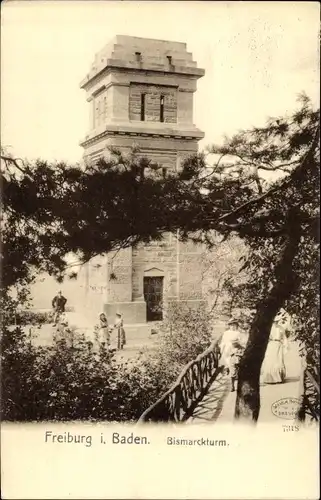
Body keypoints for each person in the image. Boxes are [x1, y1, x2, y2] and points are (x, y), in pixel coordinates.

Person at [220, 318, 247, 392]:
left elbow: (242, 343)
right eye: (231, 325)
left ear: (236, 326)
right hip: (227, 349)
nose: (233, 327)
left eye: (234, 325)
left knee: (235, 365)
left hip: (235, 350)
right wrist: (221, 350)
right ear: (229, 326)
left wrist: (238, 345)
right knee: (229, 364)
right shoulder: (226, 333)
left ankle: (236, 380)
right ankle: (232, 380)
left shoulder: (238, 333)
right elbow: (223, 342)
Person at [261, 318, 288, 384]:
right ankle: (270, 379)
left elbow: (284, 337)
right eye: (274, 321)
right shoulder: (268, 328)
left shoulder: (281, 328)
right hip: (270, 345)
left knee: (279, 360)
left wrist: (285, 345)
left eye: (276, 321)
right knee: (270, 361)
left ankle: (279, 378)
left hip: (278, 344)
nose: (275, 322)